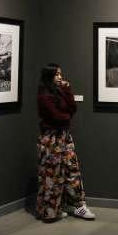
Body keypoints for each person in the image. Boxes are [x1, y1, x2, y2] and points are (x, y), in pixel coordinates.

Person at [36, 63, 96, 223]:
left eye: (60, 74)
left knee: (72, 171)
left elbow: (73, 108)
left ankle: (78, 206)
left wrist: (68, 90)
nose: (60, 77)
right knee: (52, 176)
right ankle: (50, 211)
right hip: (51, 140)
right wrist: (66, 116)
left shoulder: (60, 91)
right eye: (56, 74)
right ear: (49, 76)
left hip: (64, 136)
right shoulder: (43, 95)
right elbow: (57, 116)